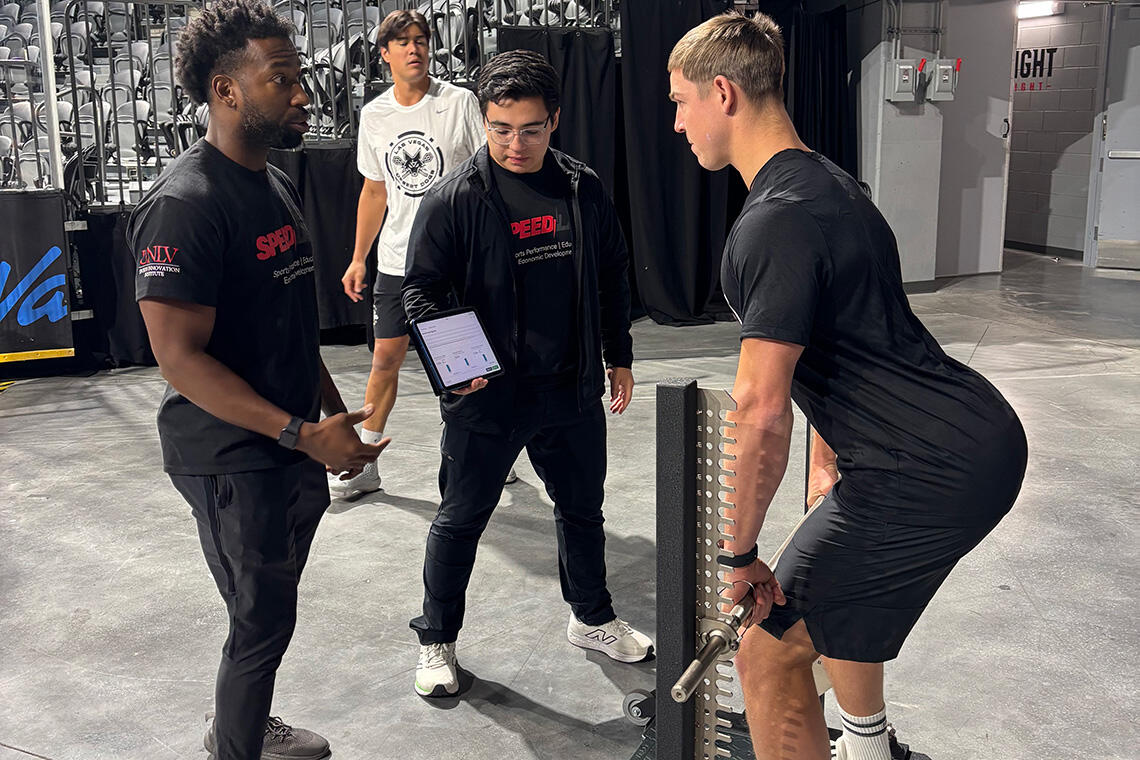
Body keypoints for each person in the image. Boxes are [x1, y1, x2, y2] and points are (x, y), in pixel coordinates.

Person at [667, 12, 1027, 760]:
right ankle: (867, 746)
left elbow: (761, 411)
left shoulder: (775, 222)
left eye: (681, 102)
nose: (677, 124)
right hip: (956, 440)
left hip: (926, 467)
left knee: (767, 653)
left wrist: (738, 557)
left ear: (722, 94)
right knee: (834, 599)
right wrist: (829, 461)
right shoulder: (831, 184)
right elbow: (853, 331)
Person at [129, 2, 387, 757]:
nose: (304, 93)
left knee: (265, 608)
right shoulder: (184, 205)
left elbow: (287, 320)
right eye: (283, 79)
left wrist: (333, 419)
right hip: (229, 455)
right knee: (261, 619)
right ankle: (235, 743)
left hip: (291, 441)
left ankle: (241, 722)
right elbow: (180, 359)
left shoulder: (272, 182)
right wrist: (303, 434)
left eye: (300, 75)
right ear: (226, 90)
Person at [401, 49, 651, 698]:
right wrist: (455, 368)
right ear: (483, 121)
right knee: (460, 519)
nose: (516, 144)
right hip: (488, 398)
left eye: (532, 129)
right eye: (501, 129)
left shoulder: (582, 188)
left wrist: (619, 355)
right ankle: (436, 640)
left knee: (583, 511)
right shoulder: (454, 199)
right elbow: (421, 292)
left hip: (570, 388)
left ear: (555, 120)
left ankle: (591, 618)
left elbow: (612, 275)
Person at [335, 8, 513, 498]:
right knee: (384, 359)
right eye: (403, 41)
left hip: (454, 261)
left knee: (466, 365)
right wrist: (358, 257)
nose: (414, 49)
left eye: (421, 39)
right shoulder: (375, 115)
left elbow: (488, 175)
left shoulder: (458, 102)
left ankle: (490, 453)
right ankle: (365, 462)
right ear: (384, 53)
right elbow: (375, 191)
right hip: (397, 262)